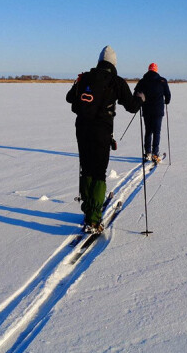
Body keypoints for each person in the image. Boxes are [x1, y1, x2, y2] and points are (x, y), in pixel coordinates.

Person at [66, 45, 144, 233]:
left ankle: (88, 210)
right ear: (113, 62)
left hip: (82, 129)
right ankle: (93, 219)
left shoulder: (84, 77)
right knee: (99, 170)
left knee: (87, 168)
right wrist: (140, 98)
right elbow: (132, 107)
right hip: (101, 131)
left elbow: (70, 98)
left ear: (100, 60)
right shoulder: (116, 81)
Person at [134, 63, 171, 164]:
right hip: (158, 111)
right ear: (156, 70)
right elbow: (168, 95)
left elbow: (136, 94)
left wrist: (139, 101)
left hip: (146, 110)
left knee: (148, 131)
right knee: (157, 132)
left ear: (149, 70)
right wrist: (166, 101)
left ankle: (147, 153)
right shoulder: (162, 81)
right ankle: (155, 153)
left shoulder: (142, 81)